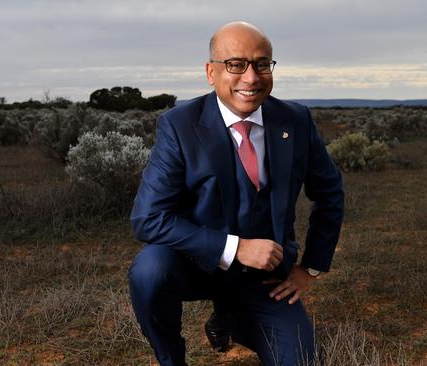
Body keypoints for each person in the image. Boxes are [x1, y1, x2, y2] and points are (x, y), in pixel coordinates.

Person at [127, 21, 344, 366]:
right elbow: (148, 218)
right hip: (194, 265)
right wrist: (237, 248)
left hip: (265, 276)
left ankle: (230, 316)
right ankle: (172, 360)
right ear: (211, 72)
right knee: (149, 271)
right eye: (236, 64)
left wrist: (311, 268)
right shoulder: (180, 125)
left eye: (261, 64)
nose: (251, 77)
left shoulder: (296, 120)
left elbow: (330, 192)